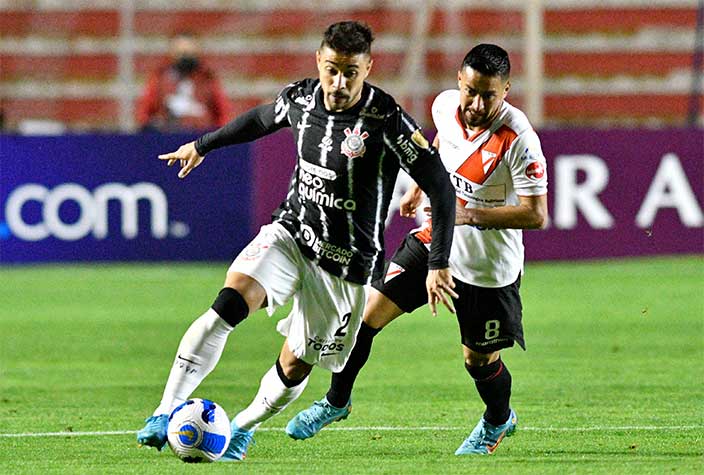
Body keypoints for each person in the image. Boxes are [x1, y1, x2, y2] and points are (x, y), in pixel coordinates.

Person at [136, 21, 457, 461]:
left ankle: (243, 427)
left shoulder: (386, 120)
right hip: (292, 233)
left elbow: (441, 186)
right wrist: (204, 144)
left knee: (295, 363)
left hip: (346, 265)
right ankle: (164, 410)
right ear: (318, 63)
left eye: (350, 71)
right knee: (229, 303)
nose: (339, 82)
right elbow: (260, 119)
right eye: (331, 69)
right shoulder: (302, 98)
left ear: (368, 67)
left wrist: (438, 262)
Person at [286, 44, 548, 456]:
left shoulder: (519, 139)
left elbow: (536, 215)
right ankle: (336, 402)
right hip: (434, 239)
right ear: (459, 83)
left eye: (490, 96)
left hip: (487, 267)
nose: (478, 104)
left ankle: (499, 420)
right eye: (471, 92)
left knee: (477, 361)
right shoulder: (444, 106)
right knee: (362, 319)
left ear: (507, 90)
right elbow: (444, 147)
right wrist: (418, 189)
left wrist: (469, 215)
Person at [135, 32, 231, 132]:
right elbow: (143, 114)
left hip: (201, 139)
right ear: (172, 52)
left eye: (190, 52)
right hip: (168, 138)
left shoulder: (208, 79)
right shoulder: (160, 78)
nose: (185, 57)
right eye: (181, 53)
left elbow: (223, 114)